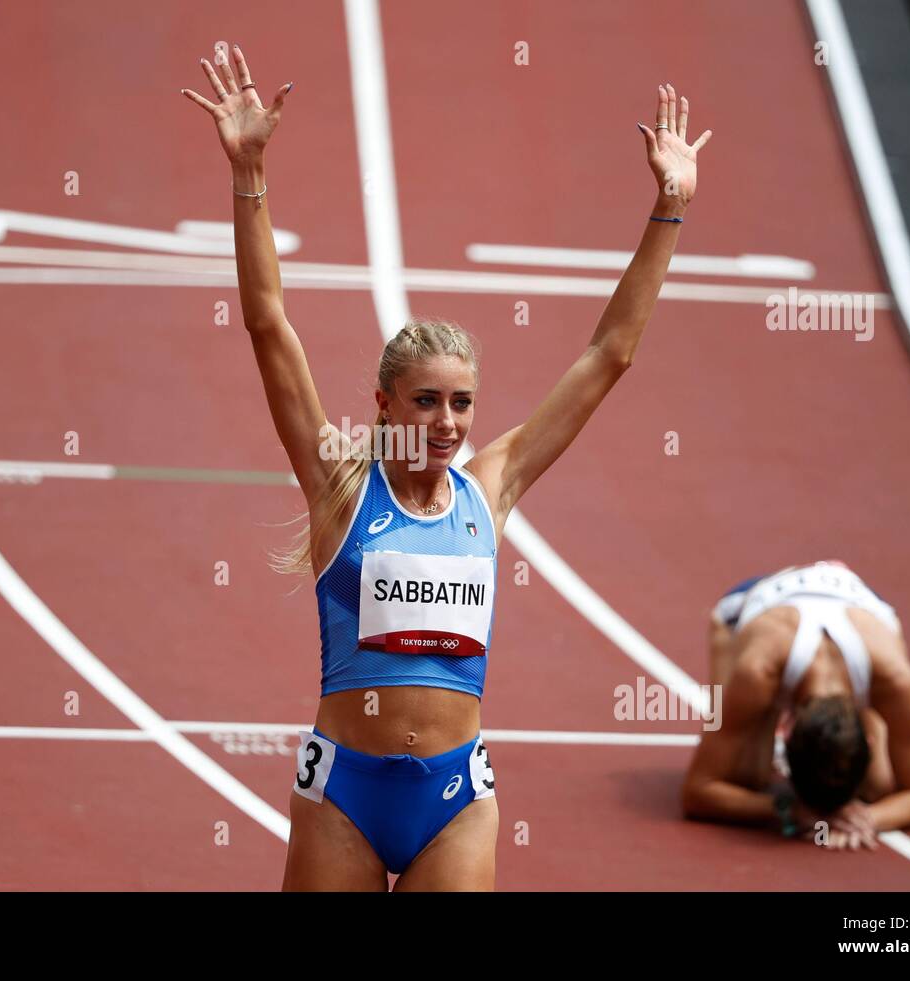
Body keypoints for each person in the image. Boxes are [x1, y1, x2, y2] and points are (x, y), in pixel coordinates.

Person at [182, 44, 712, 889]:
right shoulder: (341, 482)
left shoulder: (489, 486)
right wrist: (249, 176)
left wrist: (669, 208)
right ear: (386, 405)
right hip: (343, 796)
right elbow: (269, 325)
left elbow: (609, 354)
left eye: (461, 403)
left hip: (455, 798)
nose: (446, 422)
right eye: (425, 401)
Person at [682, 561, 910, 850]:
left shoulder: (894, 680)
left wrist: (867, 816)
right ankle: (763, 719)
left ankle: (858, 747)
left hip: (863, 610)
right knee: (747, 776)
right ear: (786, 733)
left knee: (879, 787)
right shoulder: (757, 672)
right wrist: (784, 807)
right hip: (753, 607)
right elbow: (697, 791)